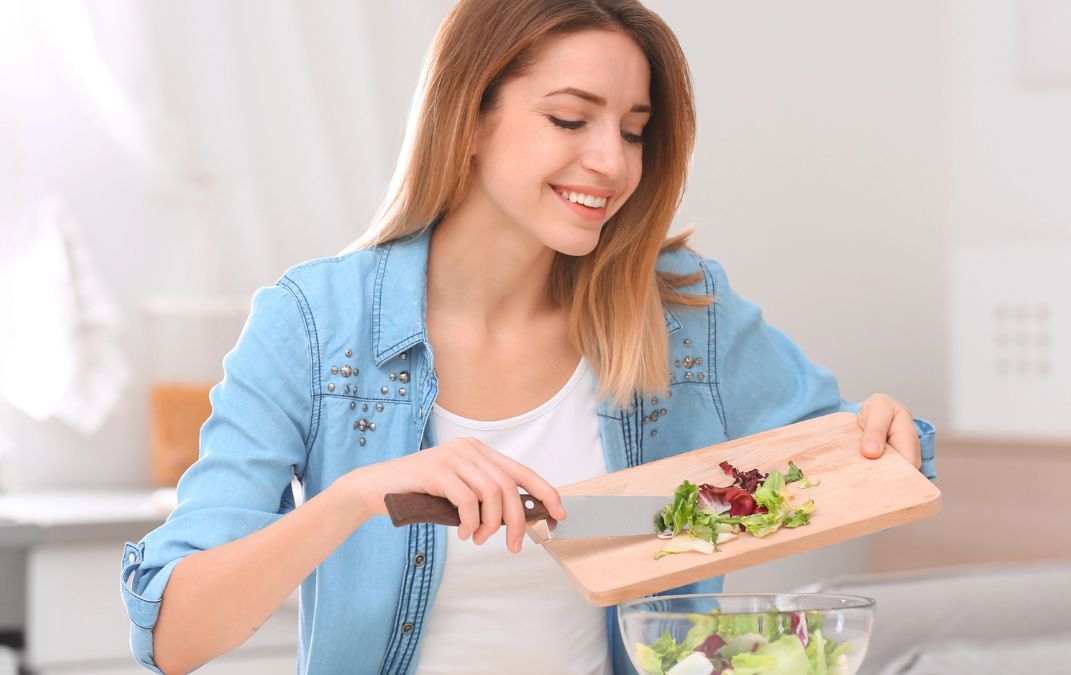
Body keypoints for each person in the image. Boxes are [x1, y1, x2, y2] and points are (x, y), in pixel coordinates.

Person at [120, 1, 936, 673]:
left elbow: (852, 464)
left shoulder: (680, 312)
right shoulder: (313, 324)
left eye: (632, 129)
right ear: (469, 119)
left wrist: (884, 436)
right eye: (571, 118)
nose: (611, 163)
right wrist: (358, 496)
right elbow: (173, 635)